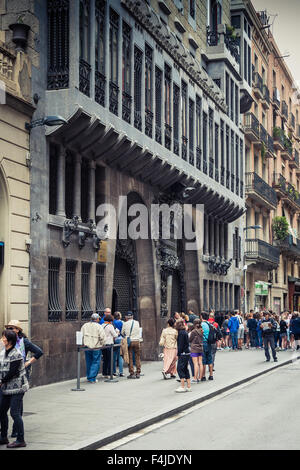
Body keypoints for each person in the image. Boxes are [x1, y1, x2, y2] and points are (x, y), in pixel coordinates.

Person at [4, 320, 43, 439]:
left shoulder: (23, 341)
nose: (10, 330)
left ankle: (16, 431)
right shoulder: (6, 341)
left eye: (12, 328)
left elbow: (39, 352)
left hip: (21, 375)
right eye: (9, 328)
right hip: (8, 376)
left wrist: (27, 363)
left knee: (17, 404)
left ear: (18, 330)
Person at [0, 329, 29, 448]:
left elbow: (12, 372)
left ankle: (20, 439)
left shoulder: (16, 354)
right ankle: (3, 437)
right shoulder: (3, 352)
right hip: (6, 387)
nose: (2, 339)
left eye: (4, 337)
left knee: (14, 413)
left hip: (18, 388)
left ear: (10, 340)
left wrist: (1, 381)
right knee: (1, 411)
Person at [81, 313, 106, 383]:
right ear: (97, 319)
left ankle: (89, 376)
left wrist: (82, 343)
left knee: (89, 361)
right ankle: (92, 378)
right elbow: (103, 337)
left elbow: (81, 335)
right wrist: (102, 344)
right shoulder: (99, 326)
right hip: (96, 346)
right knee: (95, 361)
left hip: (87, 346)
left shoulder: (85, 325)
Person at [121, 312, 142, 379]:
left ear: (126, 317)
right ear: (132, 316)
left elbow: (122, 332)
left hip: (129, 341)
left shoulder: (125, 323)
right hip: (137, 340)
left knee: (129, 356)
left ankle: (132, 373)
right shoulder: (137, 322)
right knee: (137, 356)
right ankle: (138, 372)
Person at [175, 318, 192, 392]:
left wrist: (178, 354)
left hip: (183, 353)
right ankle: (188, 386)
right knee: (185, 368)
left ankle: (182, 386)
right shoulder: (184, 332)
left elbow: (180, 345)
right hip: (187, 352)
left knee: (180, 368)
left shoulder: (181, 333)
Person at [189, 318, 203, 383]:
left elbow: (190, 339)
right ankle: (200, 377)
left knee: (195, 363)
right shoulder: (201, 330)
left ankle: (195, 378)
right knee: (200, 363)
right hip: (200, 348)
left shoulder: (194, 331)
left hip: (194, 348)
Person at [200, 312, 214, 381]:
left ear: (201, 317)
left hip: (203, 342)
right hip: (209, 343)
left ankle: (203, 376)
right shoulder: (210, 324)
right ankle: (211, 375)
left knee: (204, 361)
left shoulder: (201, 324)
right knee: (210, 359)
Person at [112, 312, 124, 377]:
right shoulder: (122, 322)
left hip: (114, 339)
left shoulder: (112, 322)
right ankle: (121, 372)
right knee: (120, 356)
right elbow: (123, 331)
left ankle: (114, 371)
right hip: (120, 339)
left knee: (114, 356)